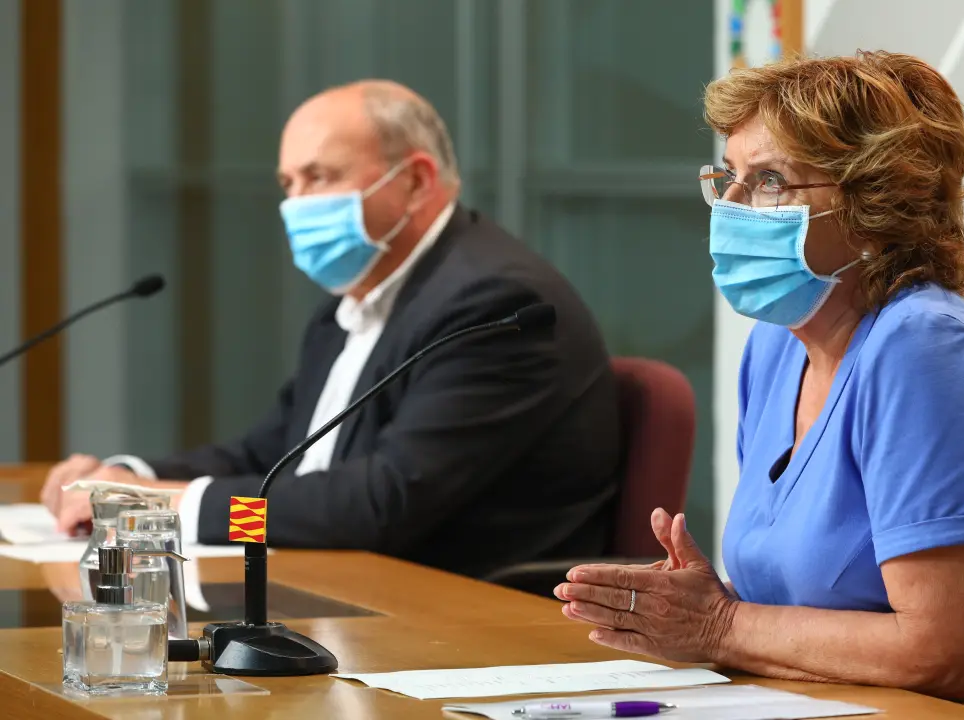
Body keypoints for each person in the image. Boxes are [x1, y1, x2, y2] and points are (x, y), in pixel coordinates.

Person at [554, 52, 964, 718]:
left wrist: (720, 625)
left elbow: (944, 653)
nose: (730, 208)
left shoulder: (925, 350)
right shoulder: (777, 344)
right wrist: (703, 607)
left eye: (769, 181)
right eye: (728, 177)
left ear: (873, 205)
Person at [42, 80, 621, 579]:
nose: (295, 205)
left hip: (463, 616)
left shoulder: (492, 305)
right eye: (288, 183)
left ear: (416, 181)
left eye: (317, 176)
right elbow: (271, 452)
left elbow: (377, 508)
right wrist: (127, 478)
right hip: (342, 590)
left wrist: (170, 508)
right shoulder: (361, 293)